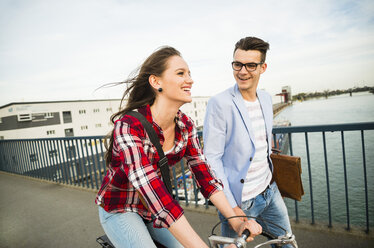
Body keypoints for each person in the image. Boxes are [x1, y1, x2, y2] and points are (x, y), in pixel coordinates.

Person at [95, 46, 262, 248]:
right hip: (121, 207)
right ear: (156, 82)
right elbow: (152, 189)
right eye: (181, 73)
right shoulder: (129, 126)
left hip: (153, 209)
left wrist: (237, 221)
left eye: (189, 74)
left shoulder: (186, 125)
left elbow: (206, 177)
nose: (190, 80)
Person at [203, 37, 293, 247]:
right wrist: (232, 207)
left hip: (270, 191)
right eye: (237, 64)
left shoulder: (266, 98)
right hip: (240, 202)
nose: (242, 71)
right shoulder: (219, 103)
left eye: (251, 65)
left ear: (263, 67)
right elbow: (212, 159)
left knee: (286, 243)